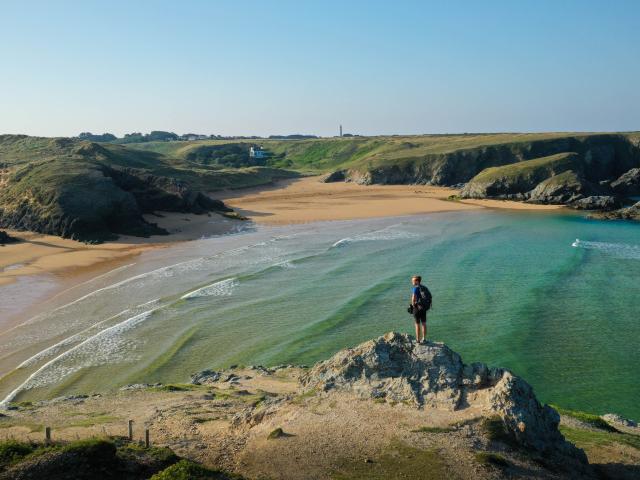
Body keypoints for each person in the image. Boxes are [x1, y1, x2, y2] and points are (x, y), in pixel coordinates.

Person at [410, 275, 432, 343]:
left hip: (417, 308)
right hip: (424, 308)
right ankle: (424, 339)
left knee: (417, 324)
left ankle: (418, 340)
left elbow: (413, 299)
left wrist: (413, 306)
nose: (412, 282)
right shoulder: (424, 287)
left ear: (417, 281)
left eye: (413, 281)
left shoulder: (415, 288)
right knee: (424, 323)